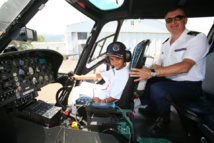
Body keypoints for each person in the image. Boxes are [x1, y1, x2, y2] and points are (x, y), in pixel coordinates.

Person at [130, 6, 209, 135]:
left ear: (185, 20)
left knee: (159, 88)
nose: (173, 22)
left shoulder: (196, 38)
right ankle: (151, 108)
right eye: (169, 20)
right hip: (170, 81)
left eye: (177, 18)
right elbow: (158, 64)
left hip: (190, 86)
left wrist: (153, 73)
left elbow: (185, 66)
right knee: (147, 81)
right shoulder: (166, 43)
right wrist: (144, 70)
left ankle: (163, 119)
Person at [71, 41, 129, 114]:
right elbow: (99, 75)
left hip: (104, 96)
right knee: (83, 85)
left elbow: (115, 96)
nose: (115, 62)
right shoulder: (117, 70)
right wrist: (79, 77)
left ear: (125, 58)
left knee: (77, 90)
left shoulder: (123, 74)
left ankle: (73, 115)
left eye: (118, 59)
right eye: (112, 59)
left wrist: (101, 102)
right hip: (104, 91)